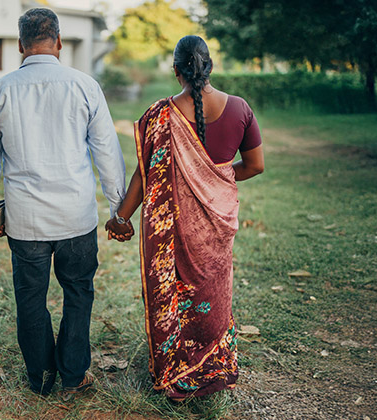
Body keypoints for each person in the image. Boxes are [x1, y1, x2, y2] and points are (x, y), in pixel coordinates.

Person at [0, 8, 132, 398]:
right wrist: (118, 209)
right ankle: (74, 376)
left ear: (20, 46)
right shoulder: (85, 86)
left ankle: (41, 377)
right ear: (59, 43)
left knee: (30, 297)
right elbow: (107, 154)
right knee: (78, 293)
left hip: (25, 220)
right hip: (76, 217)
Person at [105, 35, 264, 401]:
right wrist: (217, 177)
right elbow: (255, 166)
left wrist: (121, 218)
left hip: (173, 230)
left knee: (173, 292)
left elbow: (145, 174)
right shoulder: (240, 109)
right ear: (209, 67)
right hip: (218, 222)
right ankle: (213, 367)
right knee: (213, 290)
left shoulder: (160, 115)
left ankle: (175, 372)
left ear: (176, 71)